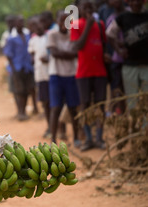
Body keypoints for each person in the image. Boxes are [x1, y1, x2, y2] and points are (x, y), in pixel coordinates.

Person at [71, 0, 109, 151]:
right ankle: (88, 138)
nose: (88, 9)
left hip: (100, 71)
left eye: (90, 7)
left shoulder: (100, 24)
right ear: (79, 9)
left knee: (100, 105)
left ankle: (99, 137)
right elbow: (77, 45)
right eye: (84, 7)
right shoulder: (75, 24)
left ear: (95, 8)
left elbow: (104, 45)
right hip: (84, 72)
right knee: (85, 104)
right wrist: (87, 25)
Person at [47, 11, 82, 147]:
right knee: (55, 108)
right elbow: (55, 53)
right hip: (56, 75)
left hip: (71, 74)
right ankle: (53, 140)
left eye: (67, 21)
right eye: (62, 21)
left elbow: (76, 53)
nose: (64, 24)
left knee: (73, 107)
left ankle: (77, 138)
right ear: (57, 22)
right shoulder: (52, 34)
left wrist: (67, 54)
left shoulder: (73, 34)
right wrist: (70, 54)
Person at [106, 0, 148, 112]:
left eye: (138, 1)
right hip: (130, 65)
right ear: (128, 3)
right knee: (132, 100)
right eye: (132, 1)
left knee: (146, 100)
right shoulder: (123, 17)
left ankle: (145, 128)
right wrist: (119, 50)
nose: (135, 3)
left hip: (146, 65)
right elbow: (110, 34)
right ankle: (134, 127)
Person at [4, 15, 35, 121]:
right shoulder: (11, 38)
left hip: (27, 67)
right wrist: (13, 70)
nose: (21, 24)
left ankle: (24, 112)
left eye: (22, 21)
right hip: (17, 68)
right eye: (19, 22)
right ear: (15, 24)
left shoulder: (27, 35)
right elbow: (8, 55)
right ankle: (20, 112)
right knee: (19, 90)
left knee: (26, 90)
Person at [28, 16, 51, 137]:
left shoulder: (50, 36)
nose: (37, 28)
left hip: (52, 74)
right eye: (33, 26)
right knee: (46, 103)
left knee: (55, 103)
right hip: (40, 75)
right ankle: (49, 127)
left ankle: (60, 129)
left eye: (38, 24)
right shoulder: (33, 40)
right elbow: (32, 55)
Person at [105, 0, 128, 115]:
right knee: (118, 89)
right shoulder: (110, 19)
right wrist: (119, 49)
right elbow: (109, 37)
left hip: (134, 59)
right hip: (118, 60)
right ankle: (121, 116)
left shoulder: (131, 13)